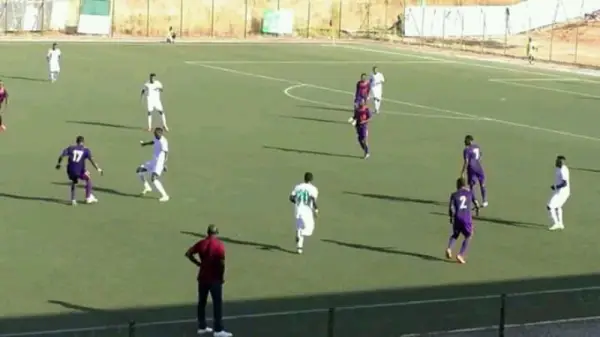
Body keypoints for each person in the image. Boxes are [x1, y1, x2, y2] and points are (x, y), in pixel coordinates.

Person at [185, 225, 233, 337]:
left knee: (202, 302)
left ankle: (202, 327)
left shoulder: (201, 243)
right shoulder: (219, 245)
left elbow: (188, 254)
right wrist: (221, 277)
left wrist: (199, 264)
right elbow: (221, 262)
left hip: (202, 278)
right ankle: (218, 330)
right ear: (216, 233)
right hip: (215, 279)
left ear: (207, 233)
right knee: (217, 304)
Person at [55, 136, 103, 205]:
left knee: (74, 182)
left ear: (76, 142)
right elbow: (92, 161)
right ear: (83, 142)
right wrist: (98, 169)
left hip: (70, 170)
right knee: (88, 177)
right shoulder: (86, 150)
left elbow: (61, 156)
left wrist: (58, 164)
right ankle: (88, 197)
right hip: (80, 170)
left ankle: (73, 200)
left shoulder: (70, 148)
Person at [446, 177, 478, 264]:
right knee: (469, 235)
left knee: (455, 235)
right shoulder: (469, 193)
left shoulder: (454, 195)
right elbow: (476, 203)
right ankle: (460, 254)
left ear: (458, 185)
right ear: (464, 184)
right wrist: (476, 209)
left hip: (457, 217)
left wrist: (451, 217)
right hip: (466, 218)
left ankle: (449, 248)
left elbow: (451, 208)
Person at [289, 172, 319, 254]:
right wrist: (316, 210)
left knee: (299, 227)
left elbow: (291, 198)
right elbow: (312, 199)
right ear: (311, 179)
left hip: (298, 210)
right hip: (307, 212)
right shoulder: (313, 189)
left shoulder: (298, 187)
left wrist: (297, 202)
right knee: (310, 229)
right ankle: (300, 238)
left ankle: (299, 248)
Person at [137, 127, 170, 202]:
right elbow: (153, 142)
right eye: (154, 133)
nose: (154, 134)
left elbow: (166, 153)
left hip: (159, 163)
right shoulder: (156, 138)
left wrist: (164, 164)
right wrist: (144, 144)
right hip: (153, 161)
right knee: (139, 170)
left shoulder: (163, 142)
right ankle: (147, 187)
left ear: (160, 134)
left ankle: (165, 196)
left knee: (153, 178)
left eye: (156, 134)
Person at [460, 135, 487, 208]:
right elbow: (480, 155)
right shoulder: (477, 146)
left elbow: (466, 161)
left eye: (466, 140)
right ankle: (484, 201)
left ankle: (475, 200)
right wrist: (477, 161)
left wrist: (462, 172)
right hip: (478, 166)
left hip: (471, 168)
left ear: (469, 141)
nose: (464, 142)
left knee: (471, 186)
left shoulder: (466, 150)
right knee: (482, 182)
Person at [548, 155, 570, 231]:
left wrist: (555, 186)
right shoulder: (557, 168)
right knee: (558, 207)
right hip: (559, 191)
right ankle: (560, 224)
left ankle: (556, 223)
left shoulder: (563, 170)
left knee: (550, 206)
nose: (557, 162)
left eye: (559, 162)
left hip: (563, 192)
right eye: (557, 161)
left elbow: (565, 183)